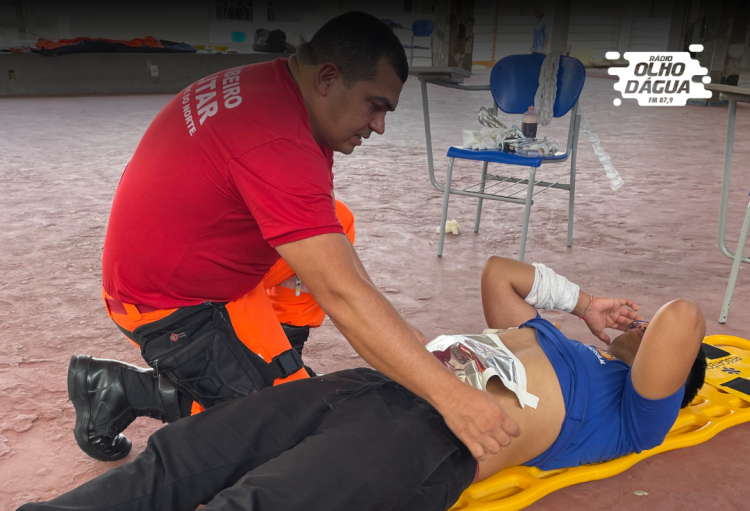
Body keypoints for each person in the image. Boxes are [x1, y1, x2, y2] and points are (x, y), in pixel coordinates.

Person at [0, 257, 706, 511]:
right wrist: (584, 305)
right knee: (179, 459)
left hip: (428, 444)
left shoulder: (637, 417)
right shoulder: (557, 338)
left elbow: (684, 320)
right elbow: (501, 273)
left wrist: (639, 337)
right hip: (380, 384)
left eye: (645, 334)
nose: (639, 325)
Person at [73, 11, 517, 472]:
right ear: (327, 78)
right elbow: (341, 293)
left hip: (200, 257)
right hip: (166, 303)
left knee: (336, 222)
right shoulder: (278, 141)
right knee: (282, 438)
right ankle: (122, 389)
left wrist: (408, 337)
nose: (379, 125)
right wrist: (452, 398)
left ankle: (277, 362)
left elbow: (338, 263)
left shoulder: (279, 90)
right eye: (375, 105)